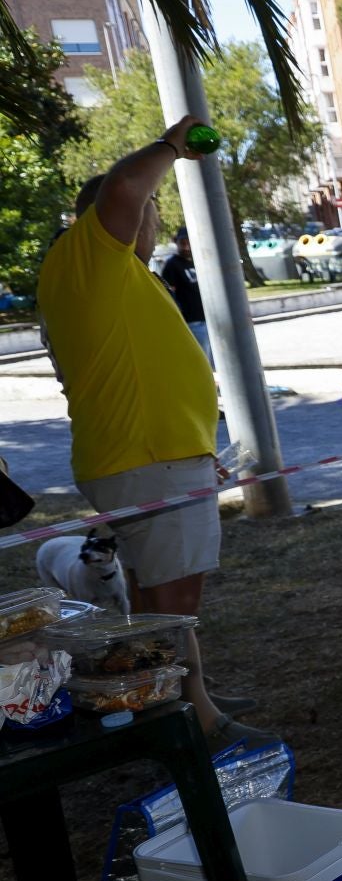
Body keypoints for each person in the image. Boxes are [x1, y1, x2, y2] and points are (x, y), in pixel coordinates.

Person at [36, 115, 268, 743]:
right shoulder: (89, 254)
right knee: (175, 602)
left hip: (151, 456)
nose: (152, 225)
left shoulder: (106, 275)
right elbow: (122, 189)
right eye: (149, 214)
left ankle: (179, 695)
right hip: (148, 459)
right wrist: (171, 145)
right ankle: (197, 719)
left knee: (151, 596)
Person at [158, 227, 210, 360]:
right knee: (203, 361)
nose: (186, 247)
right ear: (176, 242)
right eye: (182, 243)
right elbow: (169, 294)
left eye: (188, 242)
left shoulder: (198, 261)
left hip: (209, 319)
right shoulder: (172, 265)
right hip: (192, 323)